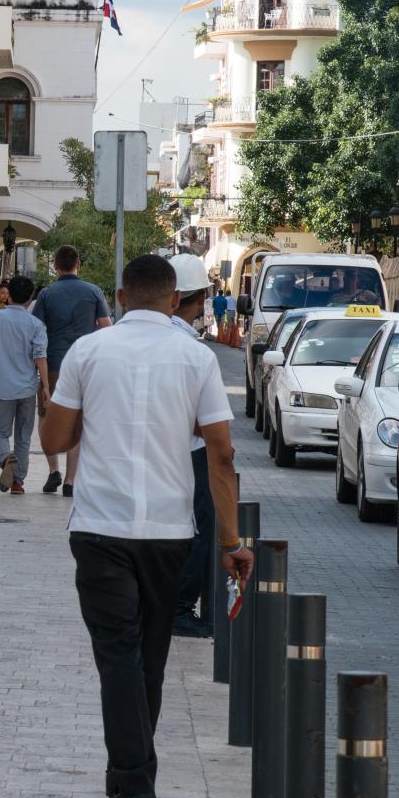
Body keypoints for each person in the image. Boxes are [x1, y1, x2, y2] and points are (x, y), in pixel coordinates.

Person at [39, 253, 252, 798]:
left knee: (117, 656)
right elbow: (222, 454)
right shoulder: (196, 358)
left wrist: (72, 409)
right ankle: (133, 773)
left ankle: (131, 778)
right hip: (168, 530)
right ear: (174, 296)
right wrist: (230, 543)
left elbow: (54, 442)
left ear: (121, 295)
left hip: (99, 527)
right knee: (148, 658)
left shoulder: (88, 352)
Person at [165, 255, 221, 638]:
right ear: (197, 299)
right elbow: (216, 432)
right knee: (200, 529)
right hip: (191, 452)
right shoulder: (196, 352)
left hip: (154, 453)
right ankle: (181, 609)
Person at [31, 245, 112, 497]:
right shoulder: (93, 291)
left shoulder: (46, 294)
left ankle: (53, 469)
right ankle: (70, 480)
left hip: (54, 363)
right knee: (78, 419)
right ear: (79, 263)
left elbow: (36, 329)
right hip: (85, 365)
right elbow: (106, 326)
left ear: (55, 265)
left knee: (47, 414)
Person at [0, 274, 49, 495]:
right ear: (29, 298)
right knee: (23, 437)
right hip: (27, 388)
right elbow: (40, 356)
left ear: (9, 296)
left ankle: (6, 459)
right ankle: (18, 482)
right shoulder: (36, 324)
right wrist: (45, 386)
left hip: (1, 388)